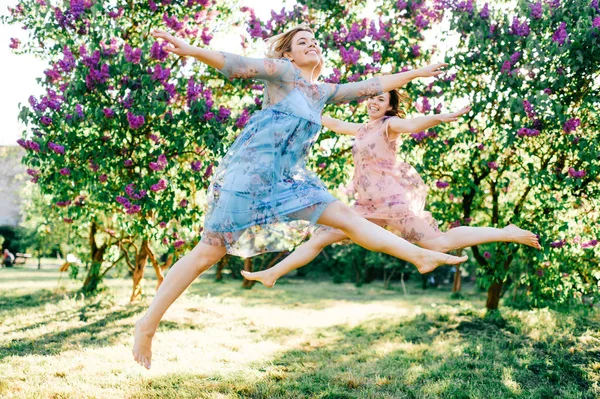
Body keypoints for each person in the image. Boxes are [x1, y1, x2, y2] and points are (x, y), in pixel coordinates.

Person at [133, 25, 468, 369]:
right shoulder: (283, 73)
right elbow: (235, 63)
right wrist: (191, 49)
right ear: (289, 54)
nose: (311, 45)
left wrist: (418, 73)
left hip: (289, 181)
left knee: (347, 218)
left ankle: (419, 257)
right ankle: (148, 324)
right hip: (249, 176)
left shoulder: (323, 92)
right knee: (207, 253)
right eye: (301, 42)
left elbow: (373, 85)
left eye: (314, 41)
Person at [241, 89, 541, 288]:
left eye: (381, 99)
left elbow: (413, 125)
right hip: (365, 206)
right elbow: (329, 121)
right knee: (320, 239)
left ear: (389, 106)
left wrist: (438, 117)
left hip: (391, 202)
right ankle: (272, 274)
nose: (374, 102)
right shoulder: (361, 129)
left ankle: (506, 232)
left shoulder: (388, 125)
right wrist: (291, 105)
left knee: (438, 244)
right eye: (372, 98)